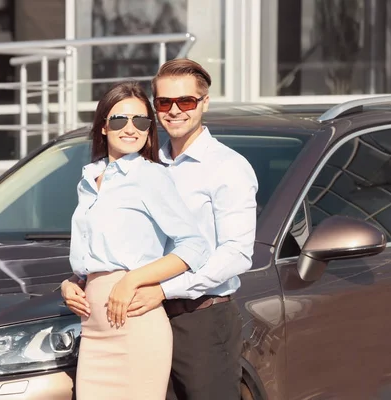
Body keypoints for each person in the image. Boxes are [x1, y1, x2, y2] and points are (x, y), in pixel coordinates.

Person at [62, 59, 258, 399]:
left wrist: (164, 290)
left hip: (199, 319)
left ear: (204, 102)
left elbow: (236, 254)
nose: (175, 111)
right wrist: (76, 281)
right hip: (136, 314)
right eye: (165, 103)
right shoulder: (139, 162)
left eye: (186, 101)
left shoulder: (227, 168)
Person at [64, 81, 210, 400]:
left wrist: (132, 281)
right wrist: (71, 283)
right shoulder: (89, 179)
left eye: (141, 121)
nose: (130, 129)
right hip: (93, 331)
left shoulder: (149, 176)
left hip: (135, 325)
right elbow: (98, 254)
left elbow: (195, 246)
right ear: (103, 127)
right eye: (119, 120)